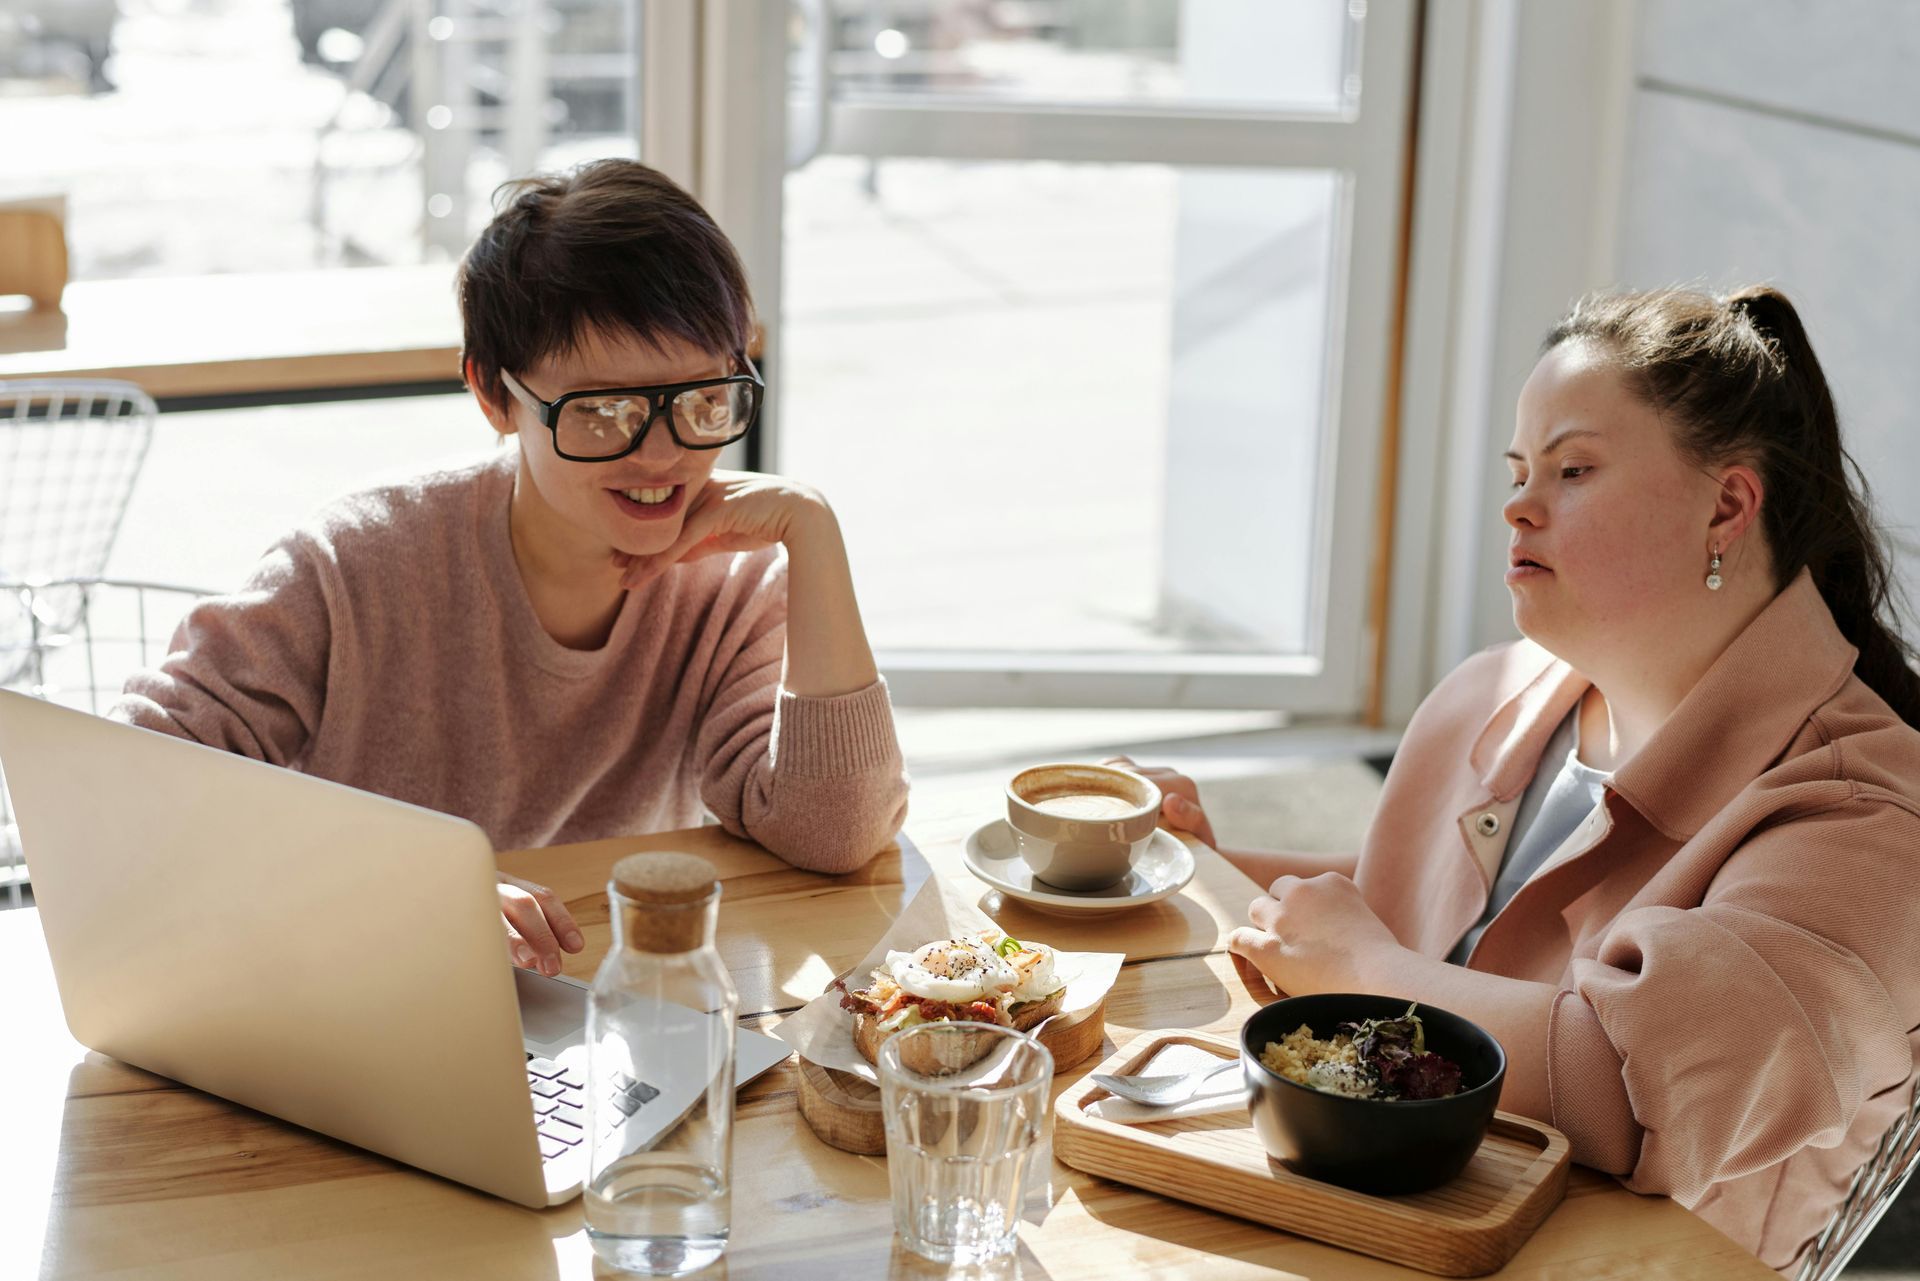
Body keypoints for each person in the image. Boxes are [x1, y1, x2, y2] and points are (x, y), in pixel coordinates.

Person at [1126, 285, 1920, 1273]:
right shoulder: (1504, 694)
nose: (1517, 503)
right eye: (1518, 470)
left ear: (1725, 505)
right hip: (1392, 1220)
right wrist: (1191, 867)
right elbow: (1411, 907)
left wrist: (1364, 968)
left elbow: (1626, 1089)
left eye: (1572, 468)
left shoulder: (1863, 823)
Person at [114, 160, 909, 978]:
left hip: (605, 1006)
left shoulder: (732, 583)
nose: (666, 453)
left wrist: (812, 532)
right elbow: (131, 782)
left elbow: (837, 835)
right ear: (495, 396)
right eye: (604, 411)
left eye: (705, 397)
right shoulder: (355, 562)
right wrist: (412, 886)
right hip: (361, 987)